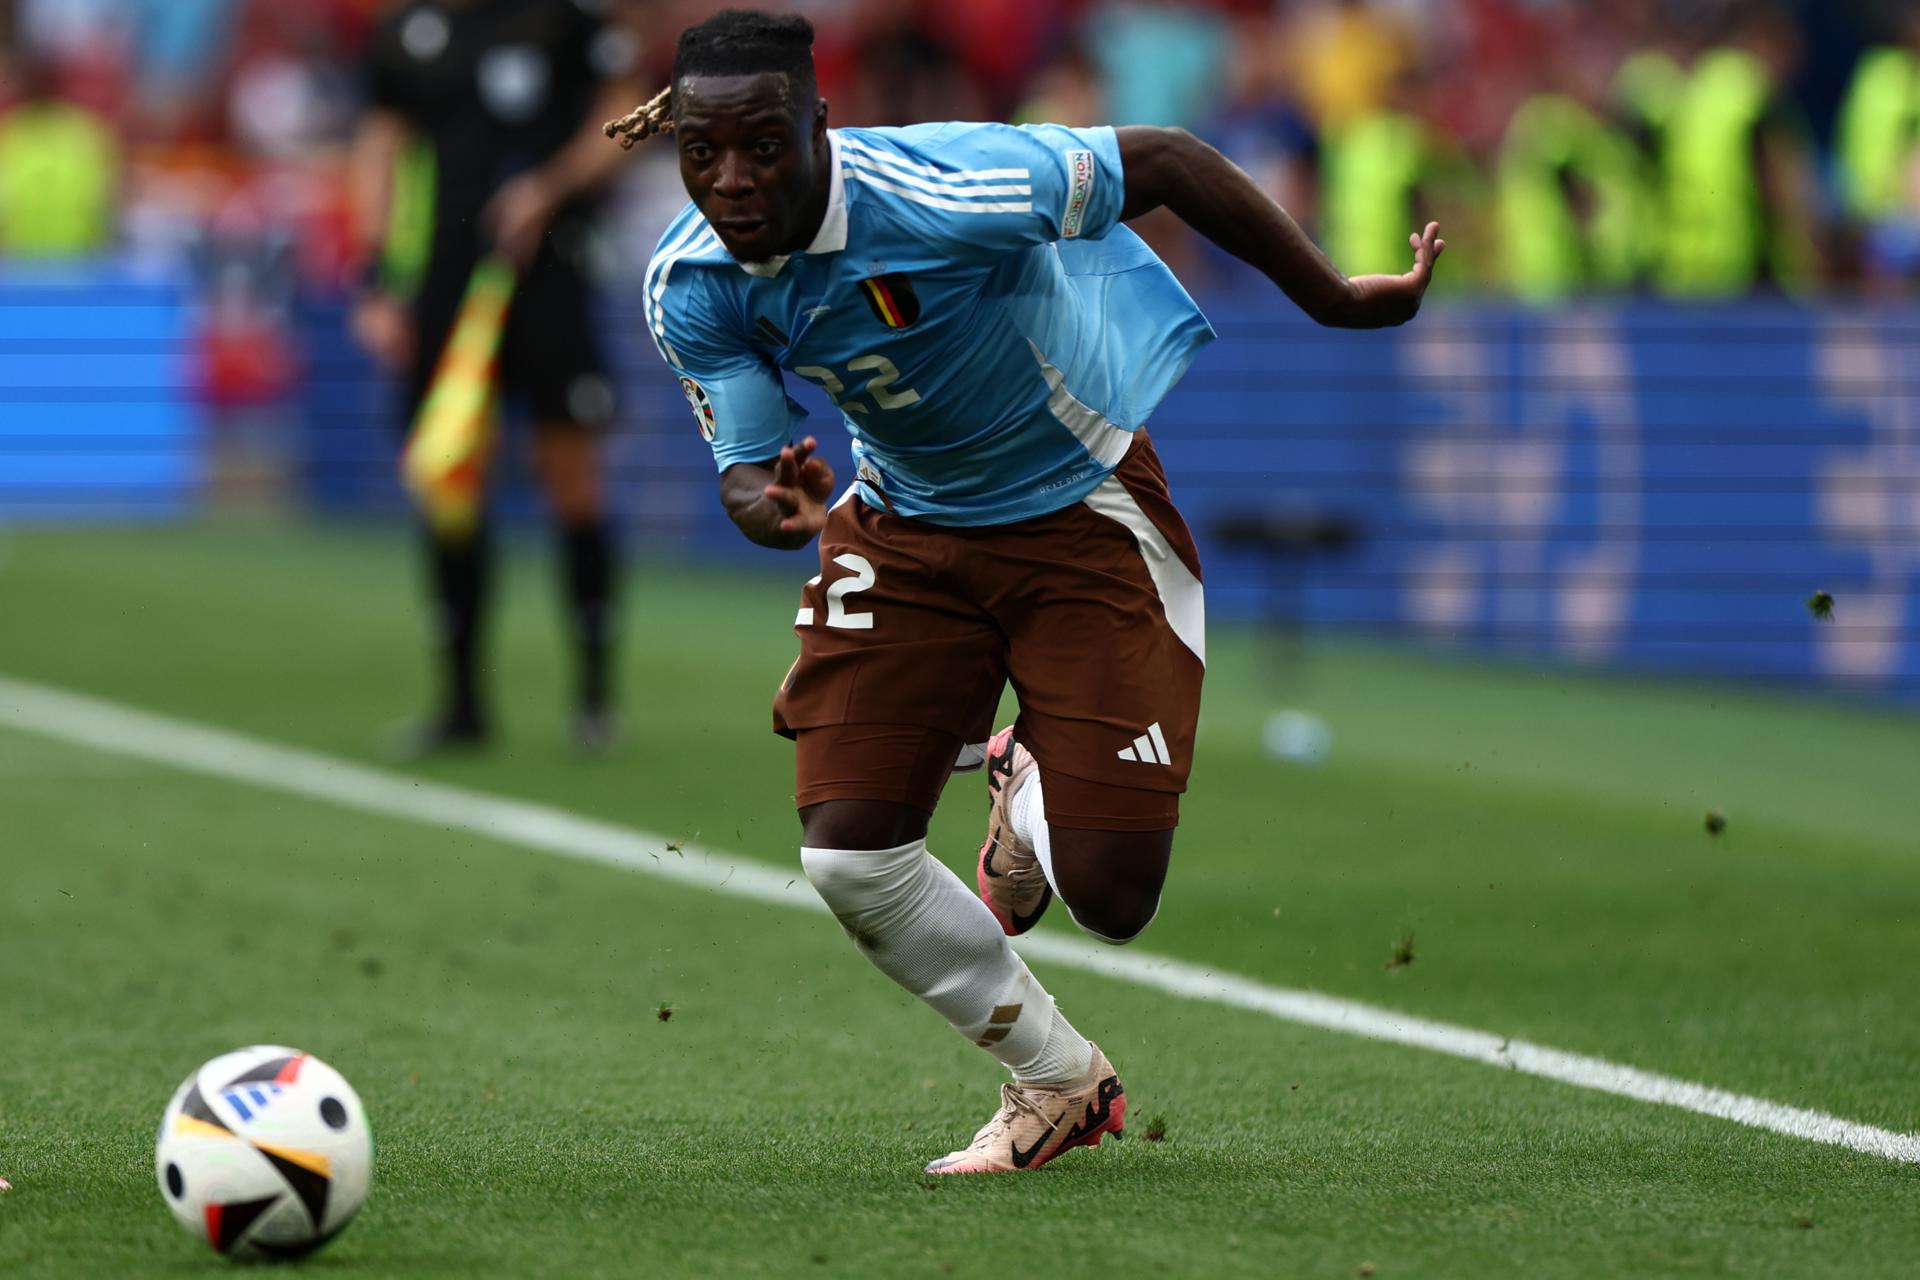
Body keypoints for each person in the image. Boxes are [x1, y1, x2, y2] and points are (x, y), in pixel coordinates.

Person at [619, 9, 1442, 1174]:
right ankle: (1059, 1078)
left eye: (762, 144)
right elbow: (749, 476)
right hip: (903, 524)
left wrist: (1331, 297)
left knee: (1113, 897)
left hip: (1078, 510)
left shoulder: (951, 187)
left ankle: (1026, 771)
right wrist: (779, 506)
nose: (733, 180)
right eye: (704, 153)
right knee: (852, 855)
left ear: (821, 123)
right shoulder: (691, 281)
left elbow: (1162, 159)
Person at [349, 0, 641, 755]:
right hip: (448, 286)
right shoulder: (410, 33)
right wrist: (377, 279)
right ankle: (461, 704)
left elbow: (627, 119)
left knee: (570, 471)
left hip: (552, 274)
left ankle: (594, 699)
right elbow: (378, 148)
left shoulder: (567, 21)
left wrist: (548, 187)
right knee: (452, 478)